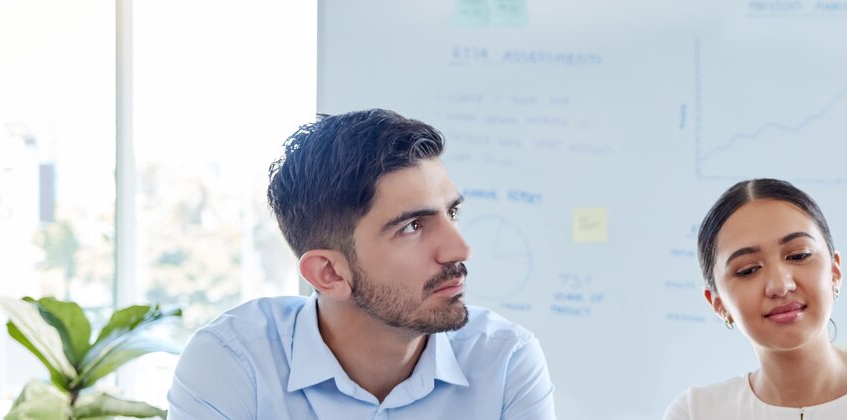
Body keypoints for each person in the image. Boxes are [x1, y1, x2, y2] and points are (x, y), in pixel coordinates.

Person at [167, 109, 556, 419]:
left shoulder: (505, 360)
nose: (460, 249)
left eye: (451, 213)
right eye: (412, 226)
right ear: (330, 273)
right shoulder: (234, 361)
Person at [665, 178, 847, 420]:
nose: (780, 285)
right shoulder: (694, 412)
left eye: (799, 255)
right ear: (717, 303)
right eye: (748, 270)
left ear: (834, 270)